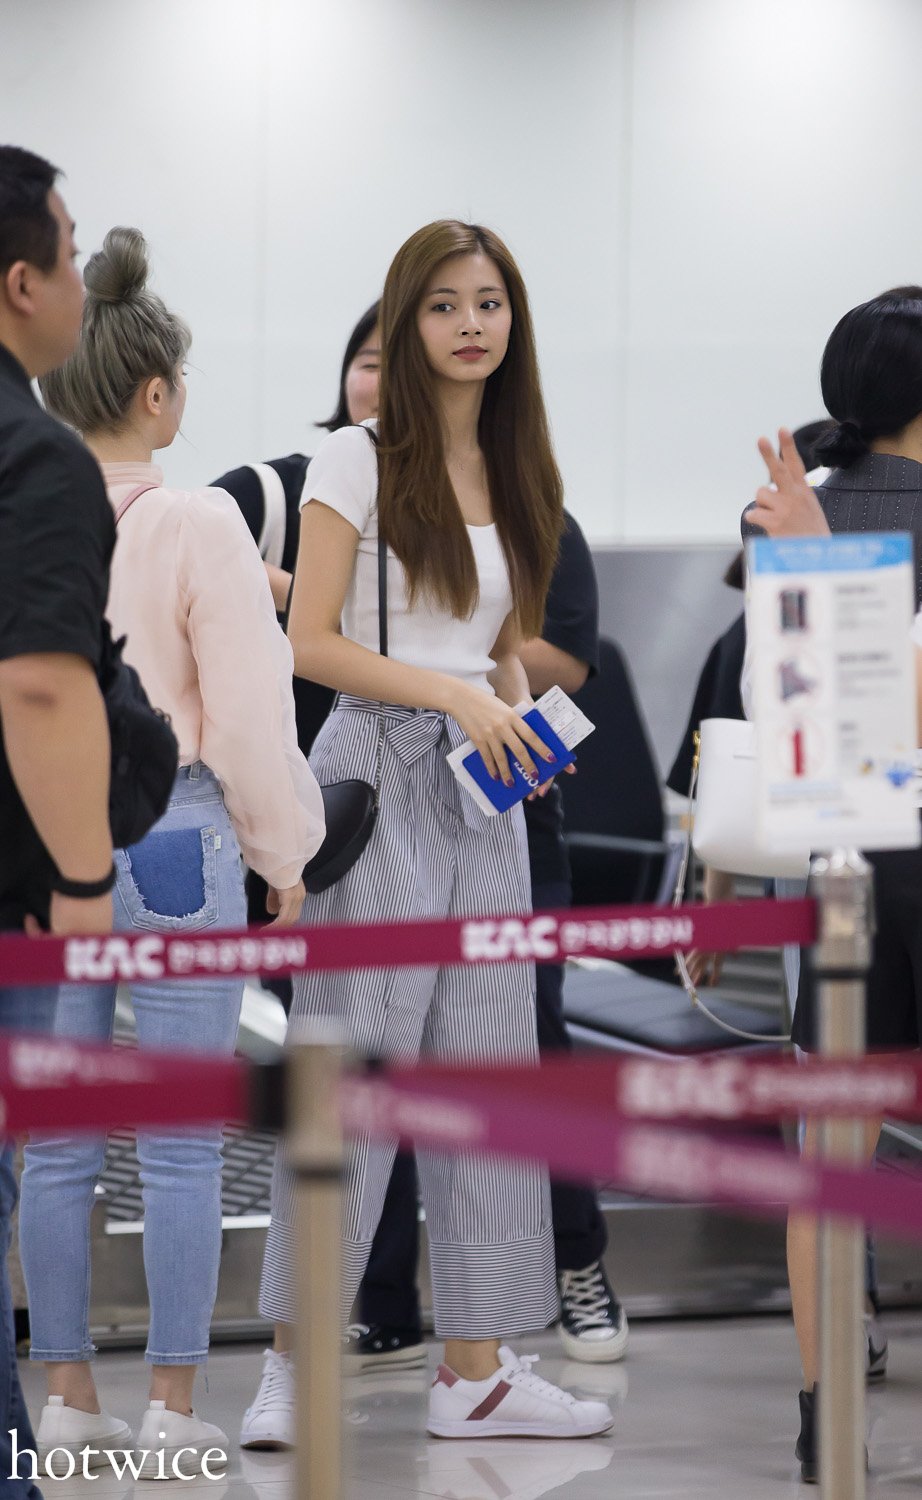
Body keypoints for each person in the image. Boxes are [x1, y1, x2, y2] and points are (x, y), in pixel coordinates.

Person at [241, 219, 615, 1448]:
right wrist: (458, 700)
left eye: (489, 302)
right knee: (346, 1077)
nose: (470, 324)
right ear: (407, 323)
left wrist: (515, 721)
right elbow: (312, 643)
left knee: (488, 1079)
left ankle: (478, 1369)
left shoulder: (517, 463)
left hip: (483, 789)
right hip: (376, 769)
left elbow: (498, 643)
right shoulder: (354, 457)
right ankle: (293, 1366)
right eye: (445, 304)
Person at [18, 227, 325, 1480]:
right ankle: (172, 1406)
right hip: (175, 835)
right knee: (185, 1136)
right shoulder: (199, 521)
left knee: (57, 1139)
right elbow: (248, 715)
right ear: (156, 394)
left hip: (45, 842)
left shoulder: (23, 511)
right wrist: (284, 850)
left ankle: (66, 1398)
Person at [352, 510, 629, 1372]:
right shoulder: (359, 507)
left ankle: (577, 1261)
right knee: (380, 1054)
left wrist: (449, 661)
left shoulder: (535, 515)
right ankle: (385, 1298)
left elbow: (561, 661)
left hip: (509, 815)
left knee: (531, 1046)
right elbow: (317, 634)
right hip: (386, 818)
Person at [743, 285, 922, 1483]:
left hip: (843, 857)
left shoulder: (792, 508)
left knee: (832, 1157)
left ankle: (825, 1420)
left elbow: (771, 714)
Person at [0, 144, 116, 1499]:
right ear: (20, 282)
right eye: (71, 254)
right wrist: (84, 883)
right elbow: (39, 681)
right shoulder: (35, 454)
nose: (82, 280)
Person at [213, 303, 381, 993]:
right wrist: (301, 595)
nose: (385, 383)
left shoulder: (450, 511)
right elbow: (178, 560)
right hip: (269, 813)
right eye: (370, 364)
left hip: (392, 805)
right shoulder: (271, 492)